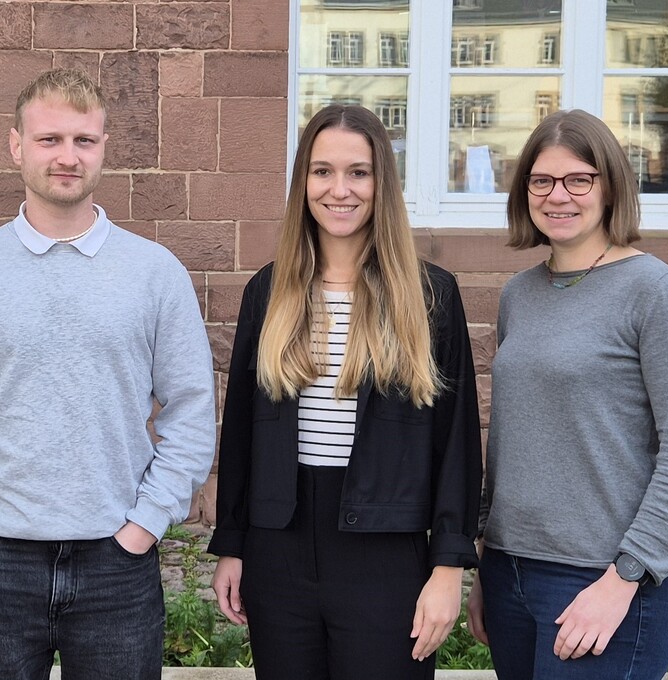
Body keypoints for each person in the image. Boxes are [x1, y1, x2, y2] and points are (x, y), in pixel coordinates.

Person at [0, 68, 216, 680]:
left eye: (83, 141)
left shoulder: (155, 272)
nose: (67, 157)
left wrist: (146, 524)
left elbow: (190, 410)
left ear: (103, 149)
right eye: (49, 140)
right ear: (16, 145)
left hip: (117, 566)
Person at [207, 104, 483, 679]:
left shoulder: (429, 295)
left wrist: (448, 568)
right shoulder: (269, 290)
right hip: (277, 547)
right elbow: (239, 430)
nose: (340, 190)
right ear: (303, 182)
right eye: (322, 171)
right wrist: (233, 544)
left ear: (382, 181)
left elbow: (456, 440)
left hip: (385, 553)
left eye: (358, 172)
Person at [466, 109, 668, 679]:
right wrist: (485, 559)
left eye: (578, 179)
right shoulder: (520, 295)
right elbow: (511, 441)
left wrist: (625, 576)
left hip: (606, 581)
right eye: (541, 180)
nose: (558, 196)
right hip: (510, 571)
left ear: (610, 186)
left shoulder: (661, 295)